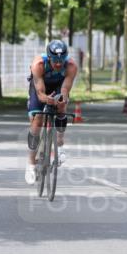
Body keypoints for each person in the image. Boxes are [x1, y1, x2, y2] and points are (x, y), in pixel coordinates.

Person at [25, 39, 78, 185]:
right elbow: (40, 93)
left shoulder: (71, 66)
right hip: (40, 88)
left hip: (58, 86)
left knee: (62, 106)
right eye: (55, 61)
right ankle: (31, 163)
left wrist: (61, 100)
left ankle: (59, 144)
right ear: (49, 57)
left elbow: (65, 89)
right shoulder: (38, 65)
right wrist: (47, 99)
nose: (59, 64)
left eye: (61, 60)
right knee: (37, 120)